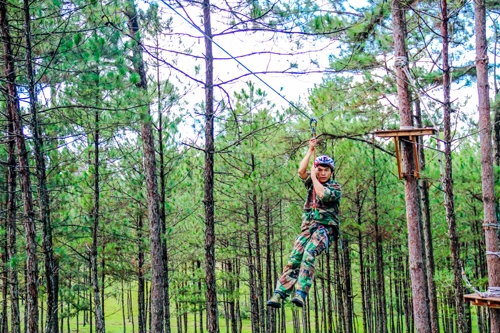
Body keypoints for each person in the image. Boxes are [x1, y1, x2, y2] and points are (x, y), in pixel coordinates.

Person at [266, 138, 341, 308]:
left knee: (309, 253)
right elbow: (301, 171)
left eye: (326, 171)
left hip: (325, 230)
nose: (322, 173)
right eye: (319, 170)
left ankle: (300, 293)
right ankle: (280, 294)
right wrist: (310, 150)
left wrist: (313, 176)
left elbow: (323, 194)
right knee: (294, 259)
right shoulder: (311, 181)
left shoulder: (335, 188)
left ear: (331, 172)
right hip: (308, 229)